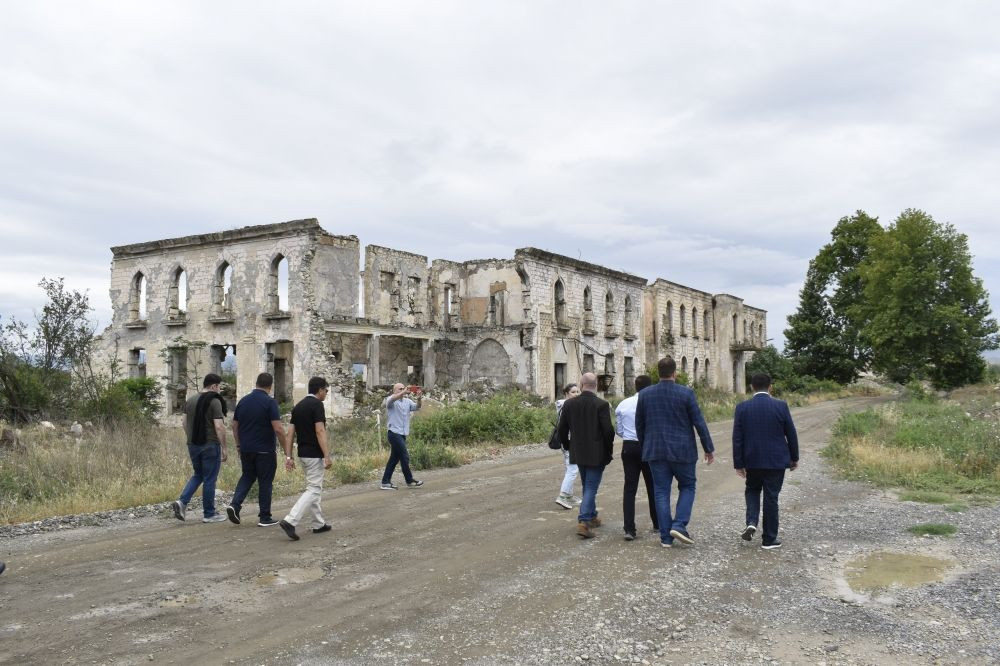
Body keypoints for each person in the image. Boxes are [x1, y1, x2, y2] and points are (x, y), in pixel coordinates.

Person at [636, 357, 715, 548]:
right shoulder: (686, 393)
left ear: (658, 372)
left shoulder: (645, 394)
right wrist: (708, 448)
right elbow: (699, 422)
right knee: (688, 486)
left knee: (661, 491)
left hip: (655, 451)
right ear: (674, 372)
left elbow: (639, 424)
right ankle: (679, 524)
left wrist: (646, 445)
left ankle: (665, 537)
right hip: (683, 451)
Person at [733, 372, 799, 550]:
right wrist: (794, 458)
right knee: (771, 497)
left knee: (752, 490)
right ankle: (769, 539)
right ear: (770, 387)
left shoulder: (742, 408)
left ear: (751, 387)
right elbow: (791, 433)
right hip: (776, 460)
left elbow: (737, 438)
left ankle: (751, 521)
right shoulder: (781, 406)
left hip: (752, 460)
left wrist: (738, 463)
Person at [226, 373, 288, 527]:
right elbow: (278, 429)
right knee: (265, 482)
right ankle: (265, 517)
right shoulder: (270, 402)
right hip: (265, 450)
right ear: (270, 386)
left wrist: (238, 445)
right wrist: (287, 451)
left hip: (246, 449)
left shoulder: (243, 401)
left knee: (247, 476)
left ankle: (235, 505)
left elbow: (234, 426)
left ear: (256, 383)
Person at [557, 372, 614, 539]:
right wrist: (608, 449)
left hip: (578, 451)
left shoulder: (569, 404)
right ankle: (583, 521)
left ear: (581, 385)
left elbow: (562, 429)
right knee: (590, 486)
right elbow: (608, 431)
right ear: (595, 385)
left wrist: (567, 445)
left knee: (587, 484)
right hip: (597, 453)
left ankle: (592, 516)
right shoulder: (601, 404)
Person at [279, 377, 333, 541]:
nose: (326, 394)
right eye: (326, 391)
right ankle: (291, 520)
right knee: (313, 489)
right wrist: (327, 455)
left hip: (302, 454)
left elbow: (290, 434)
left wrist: (289, 456)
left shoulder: (298, 406)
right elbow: (320, 431)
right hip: (314, 454)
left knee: (314, 487)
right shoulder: (317, 405)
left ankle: (318, 524)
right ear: (320, 390)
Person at [172, 373, 229, 523]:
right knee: (210, 478)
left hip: (193, 445)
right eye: (219, 387)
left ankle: (182, 502)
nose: (219, 390)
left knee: (198, 474)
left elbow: (184, 423)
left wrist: (191, 438)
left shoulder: (190, 400)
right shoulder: (214, 401)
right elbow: (219, 426)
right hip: (210, 445)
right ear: (213, 386)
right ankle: (209, 514)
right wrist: (224, 447)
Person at [616, 374, 658, 540]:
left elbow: (619, 430)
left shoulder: (623, 404)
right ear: (651, 387)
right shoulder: (653, 403)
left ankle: (629, 529)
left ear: (635, 387)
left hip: (629, 446)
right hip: (648, 446)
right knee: (652, 486)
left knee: (629, 488)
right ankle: (657, 523)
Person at [380, 383, 424, 490]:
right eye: (400, 389)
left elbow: (417, 407)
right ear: (394, 390)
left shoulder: (407, 401)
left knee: (394, 459)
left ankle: (385, 482)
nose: (402, 390)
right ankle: (409, 480)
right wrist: (404, 392)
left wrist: (419, 398)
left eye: (403, 388)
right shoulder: (391, 400)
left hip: (402, 434)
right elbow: (392, 400)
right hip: (393, 433)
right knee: (405, 456)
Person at [554, 383, 582, 509]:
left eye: (578, 392)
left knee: (569, 467)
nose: (576, 394)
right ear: (566, 394)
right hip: (570, 440)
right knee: (573, 468)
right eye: (573, 392)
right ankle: (563, 495)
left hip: (567, 440)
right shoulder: (568, 406)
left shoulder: (565, 405)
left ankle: (569, 496)